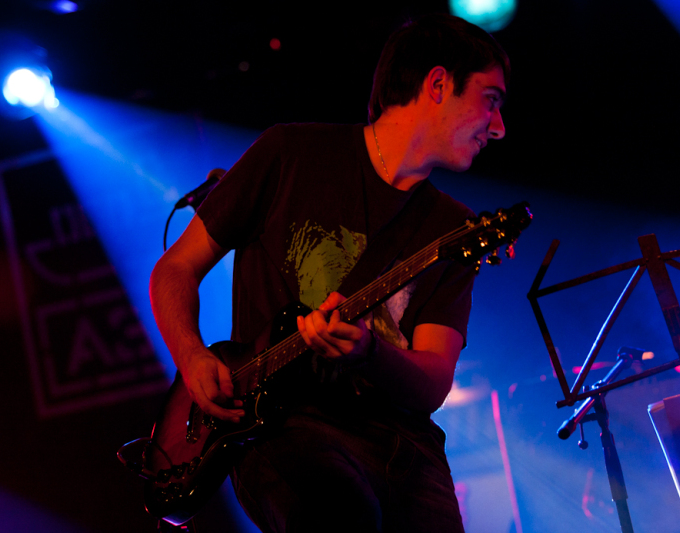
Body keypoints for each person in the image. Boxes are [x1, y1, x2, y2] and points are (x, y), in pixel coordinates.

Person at [149, 12, 509, 533]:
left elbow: (432, 382)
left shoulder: (454, 230)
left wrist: (370, 351)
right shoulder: (289, 153)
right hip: (283, 427)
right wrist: (191, 356)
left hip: (404, 446)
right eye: (490, 100)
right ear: (437, 84)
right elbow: (176, 268)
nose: (499, 127)